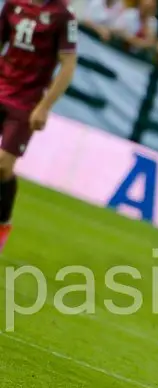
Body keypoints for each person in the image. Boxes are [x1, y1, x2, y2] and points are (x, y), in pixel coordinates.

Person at [0, 0, 78, 252]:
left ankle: (2, 223)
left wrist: (45, 106)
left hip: (26, 102)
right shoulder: (13, 4)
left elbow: (68, 64)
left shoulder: (63, 15)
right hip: (1, 84)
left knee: (3, 166)